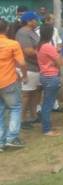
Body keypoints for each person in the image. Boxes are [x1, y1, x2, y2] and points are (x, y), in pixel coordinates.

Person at [0, 19, 28, 150]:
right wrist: (24, 75)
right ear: (6, 29)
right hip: (8, 82)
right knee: (15, 108)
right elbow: (22, 63)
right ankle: (12, 138)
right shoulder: (13, 44)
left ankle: (0, 142)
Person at [15, 11, 41, 130]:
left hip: (35, 67)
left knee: (34, 92)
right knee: (26, 94)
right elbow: (28, 51)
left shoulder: (32, 32)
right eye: (35, 19)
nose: (37, 21)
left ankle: (33, 115)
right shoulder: (23, 33)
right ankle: (22, 119)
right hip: (27, 67)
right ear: (29, 21)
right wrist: (43, 54)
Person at [35, 23, 63, 137]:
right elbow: (60, 63)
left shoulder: (39, 45)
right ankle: (47, 129)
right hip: (51, 76)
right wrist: (58, 52)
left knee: (47, 102)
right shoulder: (48, 47)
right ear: (51, 33)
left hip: (44, 75)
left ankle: (47, 126)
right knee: (48, 104)